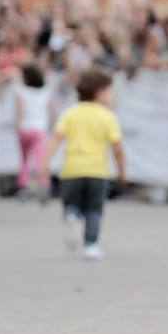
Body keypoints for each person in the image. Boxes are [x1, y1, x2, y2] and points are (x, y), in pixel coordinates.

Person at [45, 68, 126, 261]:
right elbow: (117, 148)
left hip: (71, 170)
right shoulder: (107, 116)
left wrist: (44, 163)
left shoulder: (70, 113)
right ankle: (91, 244)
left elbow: (55, 139)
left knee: (71, 204)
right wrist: (122, 171)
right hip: (97, 171)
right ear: (100, 91)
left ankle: (71, 216)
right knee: (94, 209)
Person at [14, 64, 52, 201]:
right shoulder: (45, 92)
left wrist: (17, 125)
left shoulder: (21, 91)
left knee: (24, 159)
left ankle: (23, 185)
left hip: (25, 127)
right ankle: (43, 182)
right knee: (41, 158)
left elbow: (20, 110)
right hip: (39, 128)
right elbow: (51, 110)